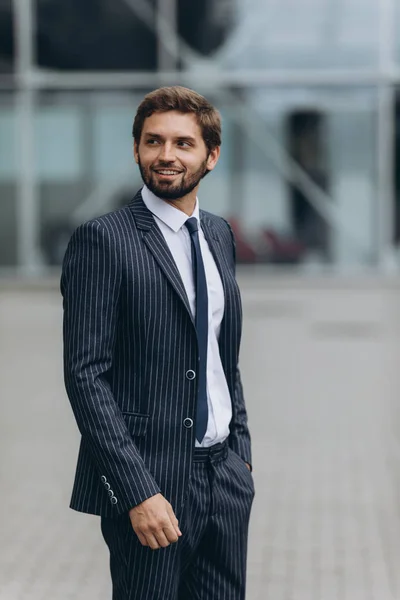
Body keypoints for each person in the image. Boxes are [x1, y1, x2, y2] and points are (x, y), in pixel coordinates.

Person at [61, 85, 254, 600]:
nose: (166, 155)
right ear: (136, 149)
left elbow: (220, 356)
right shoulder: (104, 240)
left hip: (224, 481)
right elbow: (86, 376)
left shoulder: (218, 234)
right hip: (152, 484)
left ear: (211, 156)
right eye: (153, 141)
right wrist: (136, 491)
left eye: (183, 144)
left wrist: (241, 453)